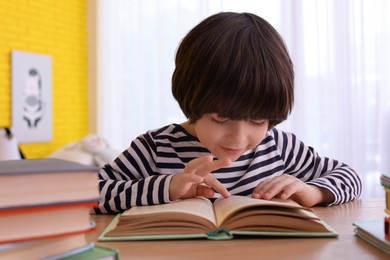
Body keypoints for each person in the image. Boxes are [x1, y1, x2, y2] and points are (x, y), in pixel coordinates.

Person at [94, 12, 362, 214]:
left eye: (257, 120)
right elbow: (87, 193)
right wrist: (167, 187)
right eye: (221, 119)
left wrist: (313, 192)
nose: (237, 139)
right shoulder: (156, 148)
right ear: (193, 97)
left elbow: (351, 177)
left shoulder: (279, 146)